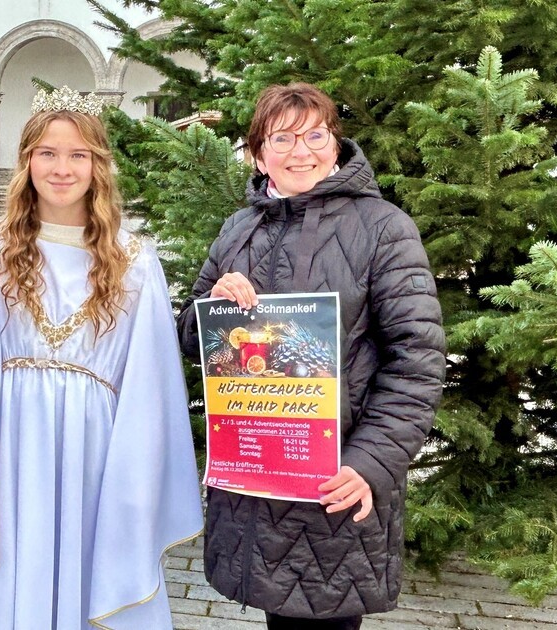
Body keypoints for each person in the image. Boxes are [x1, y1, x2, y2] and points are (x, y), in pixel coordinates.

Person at [0, 87, 204, 629]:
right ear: (26, 162)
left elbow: (152, 380)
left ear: (99, 166)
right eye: (47, 153)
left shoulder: (134, 260)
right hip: (9, 437)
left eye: (79, 155)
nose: (62, 168)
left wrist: (138, 470)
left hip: (94, 444)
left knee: (84, 555)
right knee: (11, 568)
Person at [176, 82, 445, 629]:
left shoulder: (383, 227)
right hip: (260, 474)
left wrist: (369, 464)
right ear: (257, 153)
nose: (302, 151)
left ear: (335, 141)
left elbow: (416, 361)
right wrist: (212, 307)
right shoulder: (239, 229)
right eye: (283, 138)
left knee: (327, 617)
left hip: (335, 477)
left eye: (315, 135)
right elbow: (188, 340)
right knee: (282, 617)